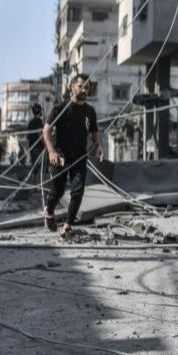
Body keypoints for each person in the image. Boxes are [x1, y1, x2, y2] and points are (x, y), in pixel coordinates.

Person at [43, 74, 104, 235]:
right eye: (81, 86)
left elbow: (94, 132)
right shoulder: (61, 108)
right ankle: (49, 212)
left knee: (78, 191)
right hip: (60, 156)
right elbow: (46, 130)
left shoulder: (90, 111)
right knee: (58, 191)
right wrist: (51, 151)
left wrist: (99, 147)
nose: (84, 89)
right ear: (72, 87)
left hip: (79, 157)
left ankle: (68, 225)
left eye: (87, 87)